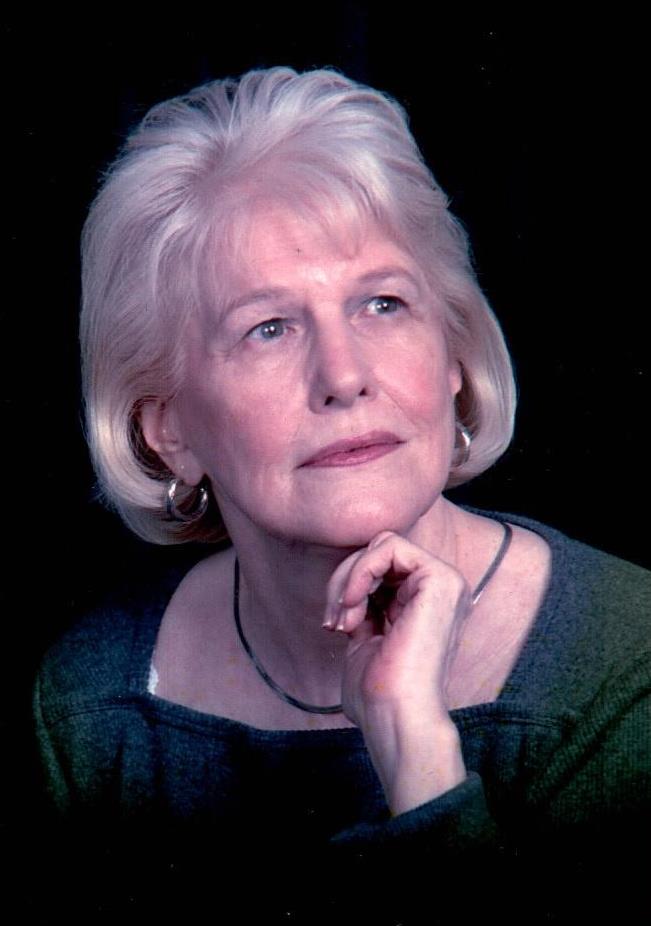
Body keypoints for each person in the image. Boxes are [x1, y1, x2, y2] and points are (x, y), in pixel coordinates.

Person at [34, 67, 649, 924]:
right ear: (169, 428)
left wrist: (416, 757)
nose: (344, 375)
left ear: (451, 355)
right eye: (268, 328)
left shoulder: (627, 665)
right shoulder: (92, 703)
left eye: (382, 304)